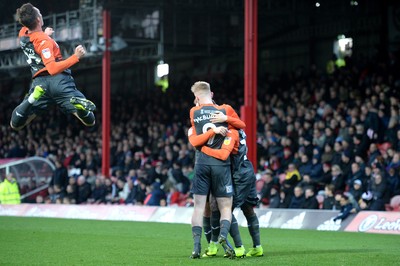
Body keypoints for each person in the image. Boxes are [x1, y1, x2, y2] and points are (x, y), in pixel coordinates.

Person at [10, 3, 96, 131]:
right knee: (90, 121)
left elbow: (36, 43)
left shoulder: (23, 34)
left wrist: (44, 34)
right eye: (39, 12)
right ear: (38, 19)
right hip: (59, 82)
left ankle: (31, 100)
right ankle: (79, 106)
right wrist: (75, 57)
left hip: (40, 85)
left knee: (16, 125)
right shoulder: (45, 41)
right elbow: (52, 69)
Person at [187, 81, 245, 259]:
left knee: (198, 207)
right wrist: (224, 120)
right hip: (221, 165)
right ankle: (222, 236)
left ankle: (196, 248)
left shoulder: (193, 111)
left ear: (196, 97)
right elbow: (241, 125)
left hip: (201, 164)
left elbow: (195, 140)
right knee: (225, 207)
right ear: (212, 94)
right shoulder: (225, 109)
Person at [200, 128, 264, 257]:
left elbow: (224, 155)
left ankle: (238, 248)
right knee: (247, 208)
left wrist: (203, 149)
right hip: (247, 169)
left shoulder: (228, 132)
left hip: (238, 174)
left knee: (224, 209)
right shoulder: (239, 131)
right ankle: (257, 247)